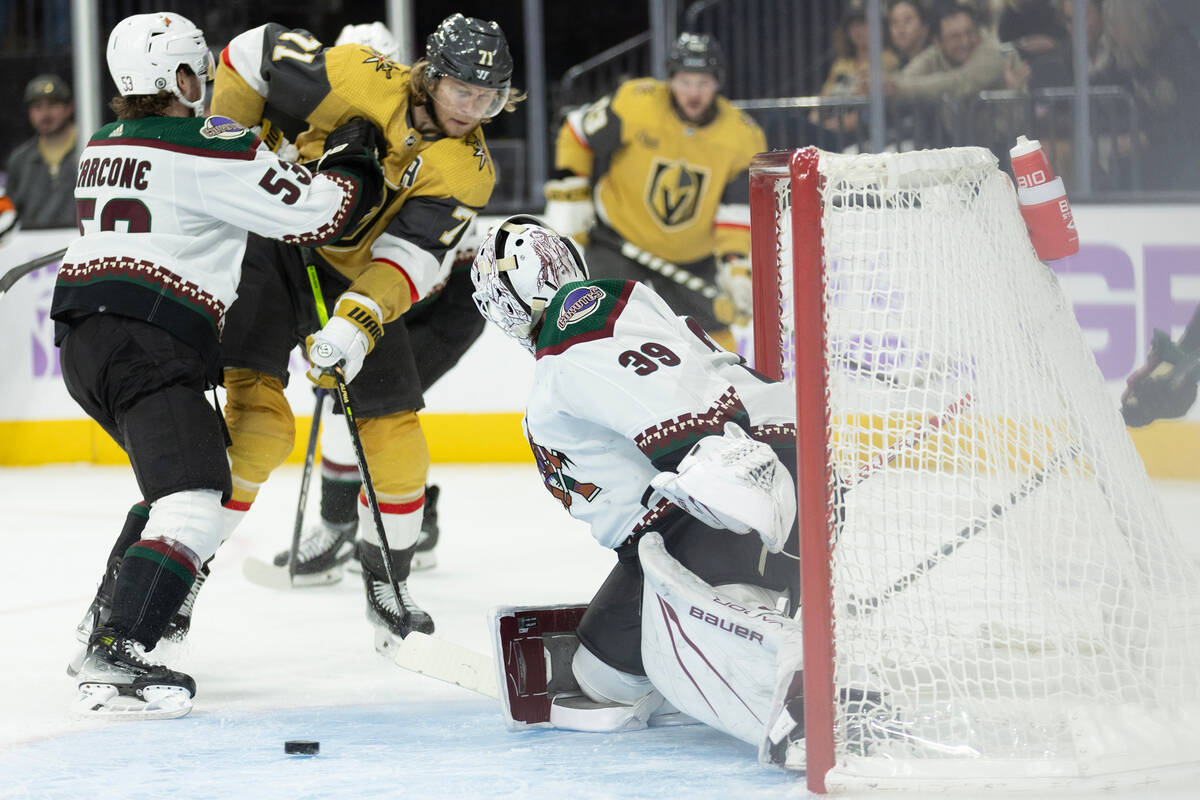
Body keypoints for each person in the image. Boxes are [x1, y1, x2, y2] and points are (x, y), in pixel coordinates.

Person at [58, 11, 384, 718]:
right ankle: (121, 650)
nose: (205, 81)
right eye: (194, 69)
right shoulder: (212, 143)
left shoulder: (102, 142)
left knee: (171, 490)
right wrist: (353, 153)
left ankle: (105, 623)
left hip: (86, 343)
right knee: (197, 498)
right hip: (148, 340)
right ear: (175, 75)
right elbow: (324, 215)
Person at [208, 13, 521, 645]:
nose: (474, 108)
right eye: (464, 90)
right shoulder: (353, 75)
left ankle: (388, 581)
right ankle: (184, 572)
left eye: (489, 97)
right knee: (258, 427)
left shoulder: (468, 170)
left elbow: (410, 255)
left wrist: (357, 323)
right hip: (267, 246)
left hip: (347, 275)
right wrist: (227, 146)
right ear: (430, 76)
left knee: (397, 433)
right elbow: (247, 51)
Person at [470, 216, 804, 757]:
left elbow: (656, 393)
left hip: (718, 503)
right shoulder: (607, 329)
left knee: (717, 610)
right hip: (709, 509)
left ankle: (786, 678)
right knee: (603, 680)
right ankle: (740, 631)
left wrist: (716, 456)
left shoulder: (576, 322)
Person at [272, 22, 485, 582]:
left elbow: (414, 259)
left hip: (439, 303)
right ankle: (360, 525)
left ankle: (380, 527)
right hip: (382, 297)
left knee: (377, 411)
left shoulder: (450, 154)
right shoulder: (346, 121)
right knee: (358, 403)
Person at [543, 32, 766, 353]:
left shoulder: (742, 136)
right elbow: (576, 132)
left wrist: (735, 265)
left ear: (718, 83)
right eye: (685, 81)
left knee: (716, 347)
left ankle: (727, 399)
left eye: (702, 83)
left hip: (691, 258)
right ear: (671, 79)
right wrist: (572, 192)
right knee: (590, 328)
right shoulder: (637, 102)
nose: (693, 93)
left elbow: (734, 210)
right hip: (617, 242)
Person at [886, 2, 1008, 101]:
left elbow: (959, 83)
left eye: (970, 33)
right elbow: (905, 77)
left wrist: (898, 88)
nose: (965, 42)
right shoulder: (934, 54)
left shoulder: (991, 53)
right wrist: (883, 85)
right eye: (955, 36)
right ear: (938, 42)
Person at [4, 73, 78, 230]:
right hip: (32, 250)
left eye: (52, 104)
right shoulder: (20, 160)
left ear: (69, 107)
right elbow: (9, 214)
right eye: (37, 107)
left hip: (82, 245)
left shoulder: (91, 148)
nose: (45, 114)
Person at [1121, 305, 1200, 427]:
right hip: (1178, 373)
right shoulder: (1133, 399)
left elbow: (1133, 380)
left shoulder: (1176, 405)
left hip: (1180, 373)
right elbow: (1132, 380)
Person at [888, 0, 932, 68]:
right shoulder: (894, 65)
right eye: (895, 22)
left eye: (907, 20)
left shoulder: (935, 61)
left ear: (924, 27)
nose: (900, 28)